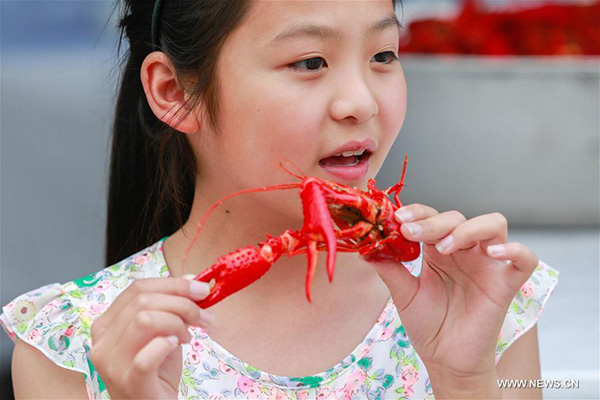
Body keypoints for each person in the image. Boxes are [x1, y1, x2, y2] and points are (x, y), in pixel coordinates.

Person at [1, 0, 560, 399]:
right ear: (174, 93)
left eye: (384, 55)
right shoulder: (72, 344)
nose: (361, 102)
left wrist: (466, 382)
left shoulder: (484, 299)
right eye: (309, 62)